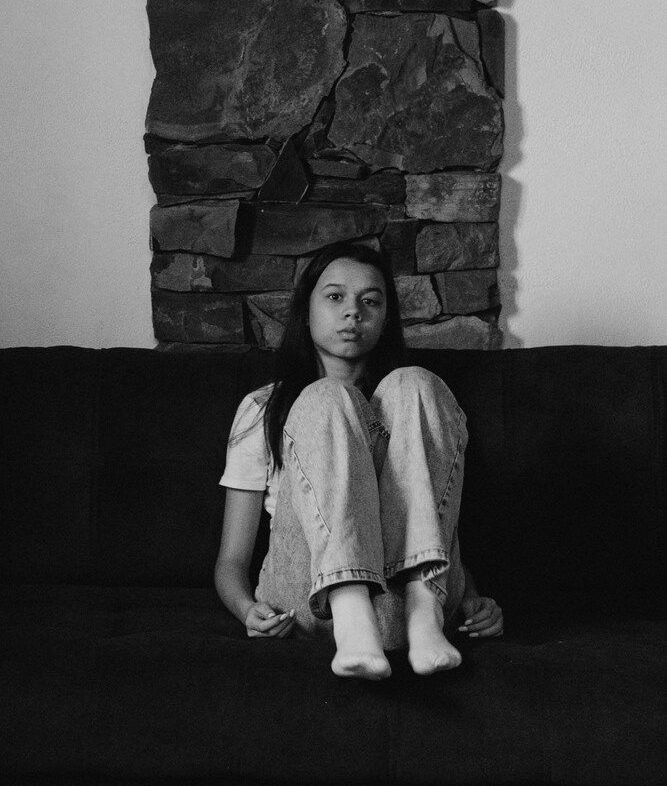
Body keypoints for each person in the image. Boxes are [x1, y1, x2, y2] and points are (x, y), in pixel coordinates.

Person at [214, 240, 503, 681]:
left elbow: (432, 519)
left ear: (385, 318)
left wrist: (473, 600)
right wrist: (246, 610)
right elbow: (231, 561)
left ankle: (425, 612)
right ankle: (351, 612)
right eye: (335, 297)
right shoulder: (262, 409)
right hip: (313, 604)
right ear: (306, 310)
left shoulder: (411, 401)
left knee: (416, 382)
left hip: (406, 605)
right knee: (326, 397)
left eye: (371, 301)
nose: (353, 312)